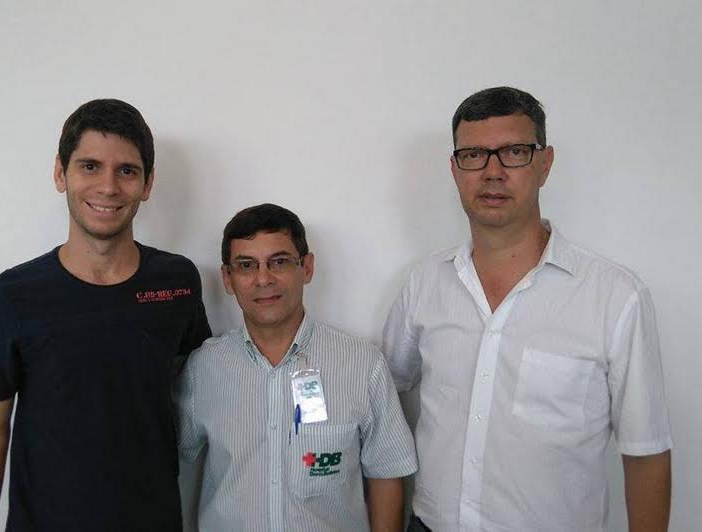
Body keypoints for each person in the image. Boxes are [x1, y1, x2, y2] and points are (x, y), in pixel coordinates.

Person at [383, 87, 672, 532]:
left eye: (514, 152)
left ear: (545, 163)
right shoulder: (424, 284)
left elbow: (646, 453)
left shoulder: (615, 296)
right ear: (455, 170)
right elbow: (384, 396)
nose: (492, 172)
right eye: (473, 155)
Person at [0, 99, 211, 532]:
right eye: (90, 166)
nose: (108, 187)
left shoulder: (178, 282)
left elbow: (193, 387)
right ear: (61, 173)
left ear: (148, 183)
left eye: (126, 170)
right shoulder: (14, 295)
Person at [176, 203, 417, 532]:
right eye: (246, 265)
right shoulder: (203, 369)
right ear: (228, 279)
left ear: (307, 267)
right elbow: (170, 462)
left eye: (279, 262)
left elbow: (386, 473)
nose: (263, 279)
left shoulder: (362, 364)